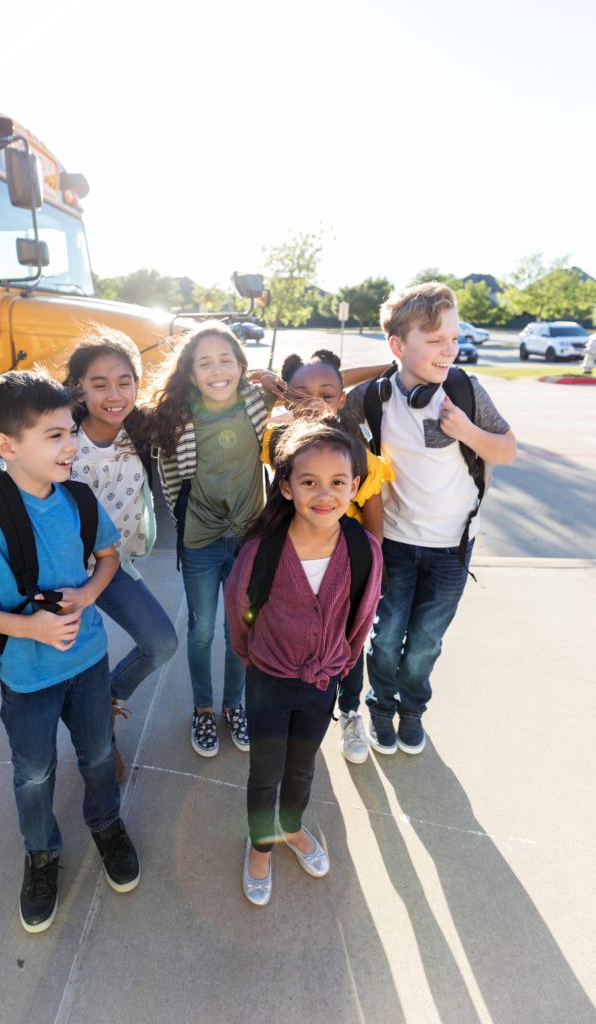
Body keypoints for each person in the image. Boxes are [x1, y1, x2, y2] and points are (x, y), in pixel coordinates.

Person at [0, 370, 140, 934]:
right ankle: (41, 854)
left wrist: (88, 594)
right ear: (7, 446)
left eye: (71, 432)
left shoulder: (78, 499)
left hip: (88, 662)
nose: (71, 446)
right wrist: (29, 631)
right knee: (35, 772)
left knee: (96, 755)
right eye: (54, 435)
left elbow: (108, 558)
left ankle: (107, 823)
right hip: (26, 675)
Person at [342, 282, 517, 756]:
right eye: (436, 340)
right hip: (394, 541)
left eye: (455, 339)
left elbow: (508, 449)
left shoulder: (463, 389)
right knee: (385, 638)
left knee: (423, 644)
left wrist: (467, 430)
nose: (450, 350)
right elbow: (326, 392)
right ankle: (380, 707)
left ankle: (412, 710)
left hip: (452, 547)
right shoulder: (374, 398)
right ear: (398, 346)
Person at [225, 418, 383, 905]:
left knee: (302, 768)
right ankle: (260, 848)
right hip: (269, 680)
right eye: (308, 481)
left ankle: (291, 828)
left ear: (354, 486)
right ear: (287, 486)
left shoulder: (364, 550)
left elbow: (361, 618)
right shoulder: (260, 552)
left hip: (322, 682)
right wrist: (258, 660)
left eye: (338, 483)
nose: (324, 494)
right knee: (265, 772)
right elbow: (239, 615)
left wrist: (339, 663)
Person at [255, 348, 394, 765]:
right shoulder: (275, 441)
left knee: (347, 642)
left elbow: (373, 520)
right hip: (292, 566)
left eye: (327, 393)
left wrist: (371, 575)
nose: (314, 403)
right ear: (285, 397)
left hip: (343, 569)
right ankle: (287, 708)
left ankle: (349, 711)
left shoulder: (360, 457)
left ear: (342, 399)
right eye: (301, 393)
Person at [144, 321, 269, 757]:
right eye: (204, 363)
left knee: (241, 627)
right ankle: (202, 710)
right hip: (201, 543)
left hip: (250, 539)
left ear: (240, 365)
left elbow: (310, 397)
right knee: (200, 631)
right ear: (191, 374)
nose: (217, 370)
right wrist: (189, 528)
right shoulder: (178, 419)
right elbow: (171, 483)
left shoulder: (257, 404)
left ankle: (235, 706)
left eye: (225, 359)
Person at [64, 331, 179, 777]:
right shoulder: (63, 437)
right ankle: (98, 739)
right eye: (99, 384)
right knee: (80, 664)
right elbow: (5, 467)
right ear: (79, 388)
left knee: (161, 643)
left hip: (112, 564)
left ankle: (106, 703)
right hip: (63, 573)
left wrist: (263, 385)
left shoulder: (140, 430)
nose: (114, 395)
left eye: (124, 381)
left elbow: (205, 410)